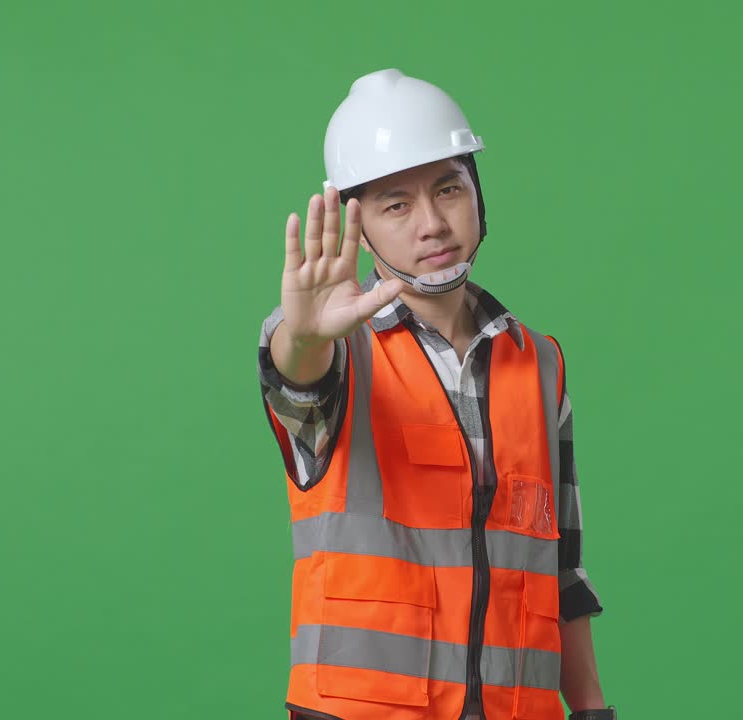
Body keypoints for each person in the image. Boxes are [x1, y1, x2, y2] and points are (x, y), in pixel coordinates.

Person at [256, 68, 616, 720]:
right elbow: (296, 384)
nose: (432, 223)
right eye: (397, 204)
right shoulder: (337, 351)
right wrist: (304, 339)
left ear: (478, 197)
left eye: (449, 189)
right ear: (357, 227)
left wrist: (590, 709)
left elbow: (560, 570)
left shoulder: (539, 365)